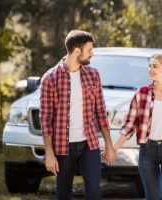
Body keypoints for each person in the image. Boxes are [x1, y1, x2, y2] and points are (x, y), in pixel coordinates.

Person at [39, 30, 116, 200]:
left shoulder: (93, 75)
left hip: (89, 143)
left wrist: (109, 145)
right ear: (76, 51)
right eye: (89, 50)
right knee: (64, 192)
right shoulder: (50, 79)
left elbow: (101, 111)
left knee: (95, 188)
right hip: (62, 146)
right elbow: (45, 119)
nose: (92, 54)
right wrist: (49, 154)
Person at [107, 53, 162, 200]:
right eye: (149, 65)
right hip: (148, 150)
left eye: (155, 66)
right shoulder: (142, 94)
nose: (150, 69)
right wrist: (114, 149)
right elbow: (129, 125)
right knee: (152, 197)